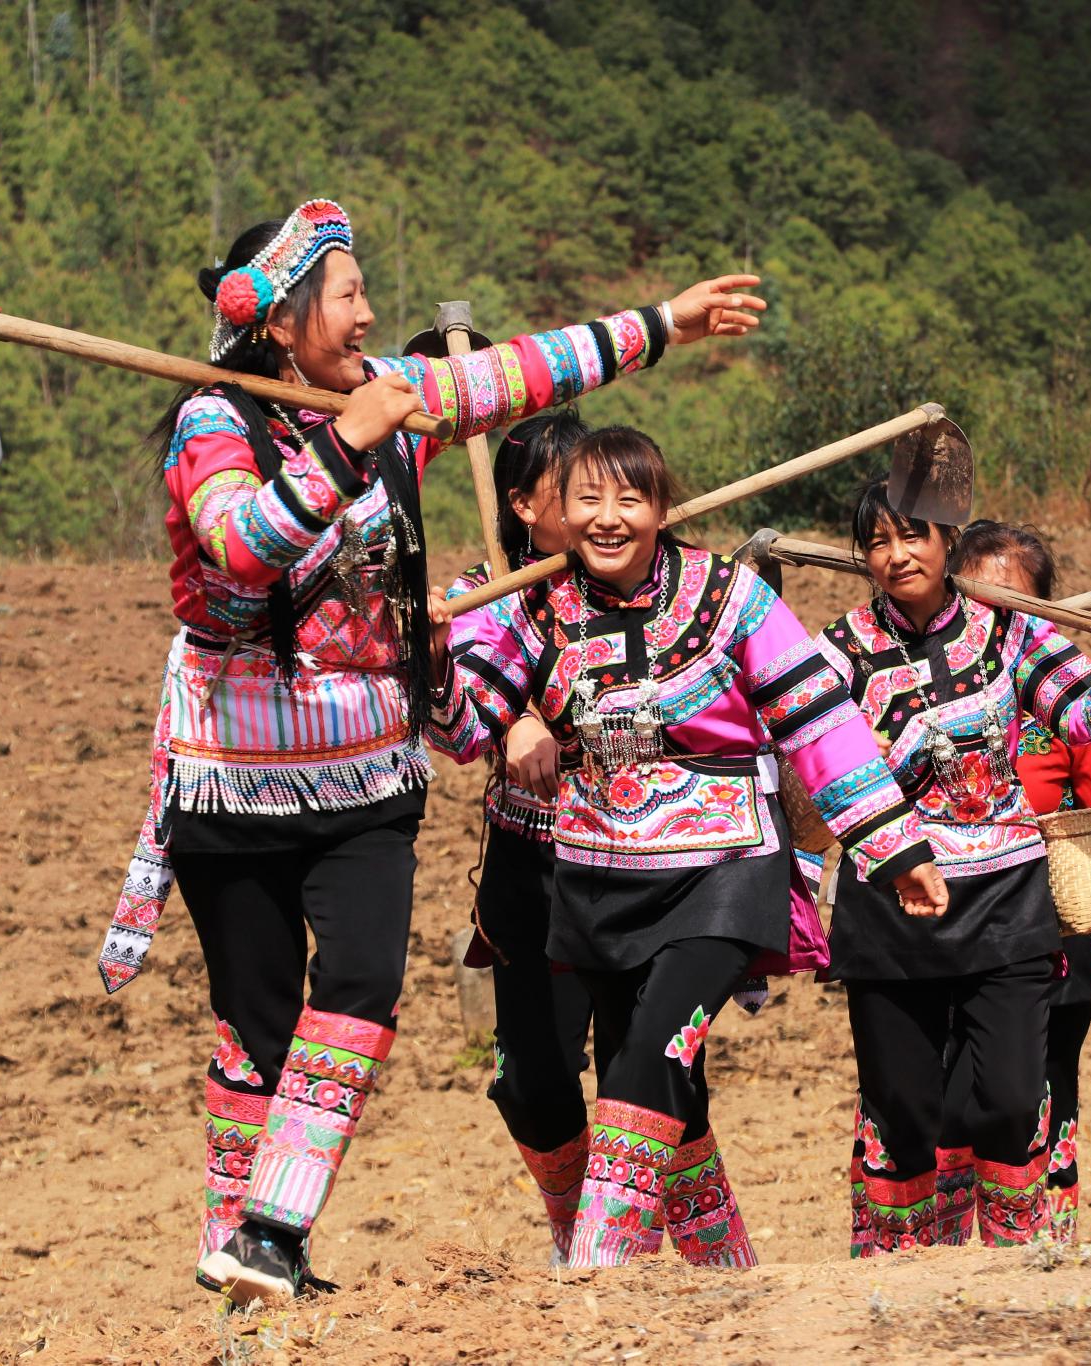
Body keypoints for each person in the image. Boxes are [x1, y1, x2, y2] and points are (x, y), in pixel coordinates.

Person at [92, 195, 770, 1303]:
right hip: (233, 773)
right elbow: (236, 545)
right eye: (346, 294)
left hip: (365, 772)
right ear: (280, 315)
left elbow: (519, 374)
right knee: (256, 1017)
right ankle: (244, 1250)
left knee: (360, 982)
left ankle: (273, 1223)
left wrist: (665, 323)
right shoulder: (214, 422)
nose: (366, 315)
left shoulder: (386, 400)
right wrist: (340, 450)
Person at [430, 429, 945, 1268]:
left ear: (663, 509)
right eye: (586, 501)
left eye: (628, 500)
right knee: (641, 1075)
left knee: (649, 1052)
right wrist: (430, 650)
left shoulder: (730, 596)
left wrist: (892, 848)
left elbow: (818, 719)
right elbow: (461, 731)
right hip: (591, 873)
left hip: (721, 869)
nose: (606, 519)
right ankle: (724, 1276)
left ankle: (599, 1270)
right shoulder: (530, 606)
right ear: (553, 512)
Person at [812, 483, 1091, 1255]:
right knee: (903, 1108)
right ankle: (905, 1276)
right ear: (862, 558)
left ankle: (1016, 1265)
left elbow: (1081, 715)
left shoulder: (1006, 634)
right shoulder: (837, 650)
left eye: (912, 536)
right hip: (892, 902)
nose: (897, 554)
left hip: (1007, 896)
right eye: (877, 542)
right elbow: (807, 757)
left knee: (1012, 1099)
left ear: (947, 542)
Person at [931, 520, 1091, 1246]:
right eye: (977, 596)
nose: (994, 616)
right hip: (938, 919)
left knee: (1040, 1086)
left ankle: (1037, 1252)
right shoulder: (916, 676)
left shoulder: (1068, 692)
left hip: (1049, 925)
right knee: (929, 1088)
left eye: (1015, 602)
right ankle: (926, 1254)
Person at [434, 412, 598, 1263]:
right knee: (530, 1082)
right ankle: (575, 1228)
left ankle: (694, 1246)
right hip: (534, 872)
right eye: (579, 490)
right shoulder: (480, 597)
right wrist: (512, 726)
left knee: (661, 1071)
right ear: (526, 504)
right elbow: (462, 711)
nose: (602, 509)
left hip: (648, 864)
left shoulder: (641, 583)